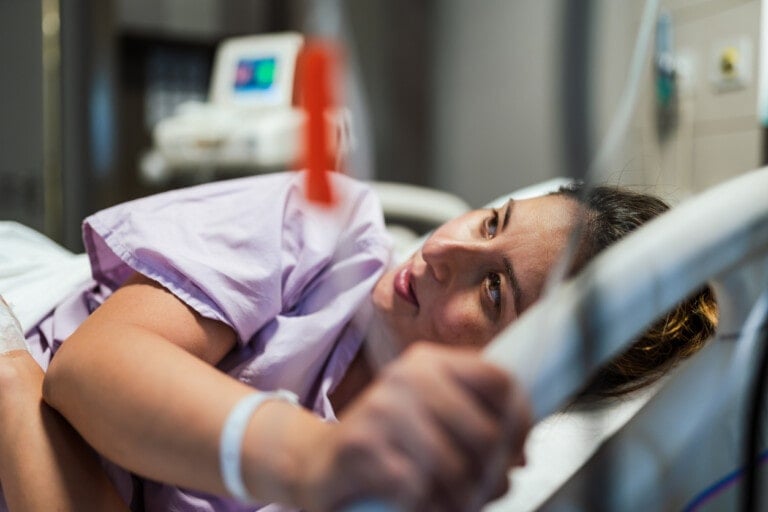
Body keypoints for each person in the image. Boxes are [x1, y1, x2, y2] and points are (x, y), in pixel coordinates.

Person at [0, 171, 716, 512]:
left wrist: (18, 398)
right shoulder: (322, 227)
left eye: (493, 293)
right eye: (493, 220)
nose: (447, 249)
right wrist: (316, 459)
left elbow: (31, 391)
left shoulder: (412, 491)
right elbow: (91, 368)